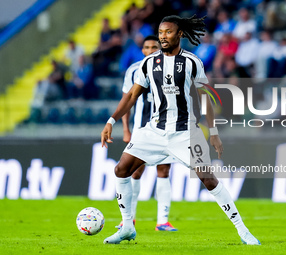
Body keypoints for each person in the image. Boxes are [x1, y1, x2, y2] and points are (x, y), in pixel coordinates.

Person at [101, 15, 260, 246]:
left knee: (209, 179)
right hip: (154, 130)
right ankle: (127, 226)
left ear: (180, 35)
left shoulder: (192, 62)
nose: (163, 36)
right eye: (160, 32)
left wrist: (213, 132)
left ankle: (243, 231)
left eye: (168, 32)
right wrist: (111, 121)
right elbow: (132, 96)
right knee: (121, 170)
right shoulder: (148, 64)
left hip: (185, 133)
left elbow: (205, 97)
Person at [118, 35, 177, 231]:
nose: (150, 50)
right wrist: (126, 129)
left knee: (164, 171)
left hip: (164, 129)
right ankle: (129, 219)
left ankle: (162, 221)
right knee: (134, 171)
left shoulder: (171, 69)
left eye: (154, 47)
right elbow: (127, 100)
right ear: (142, 50)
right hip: (140, 129)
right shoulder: (134, 70)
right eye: (146, 47)